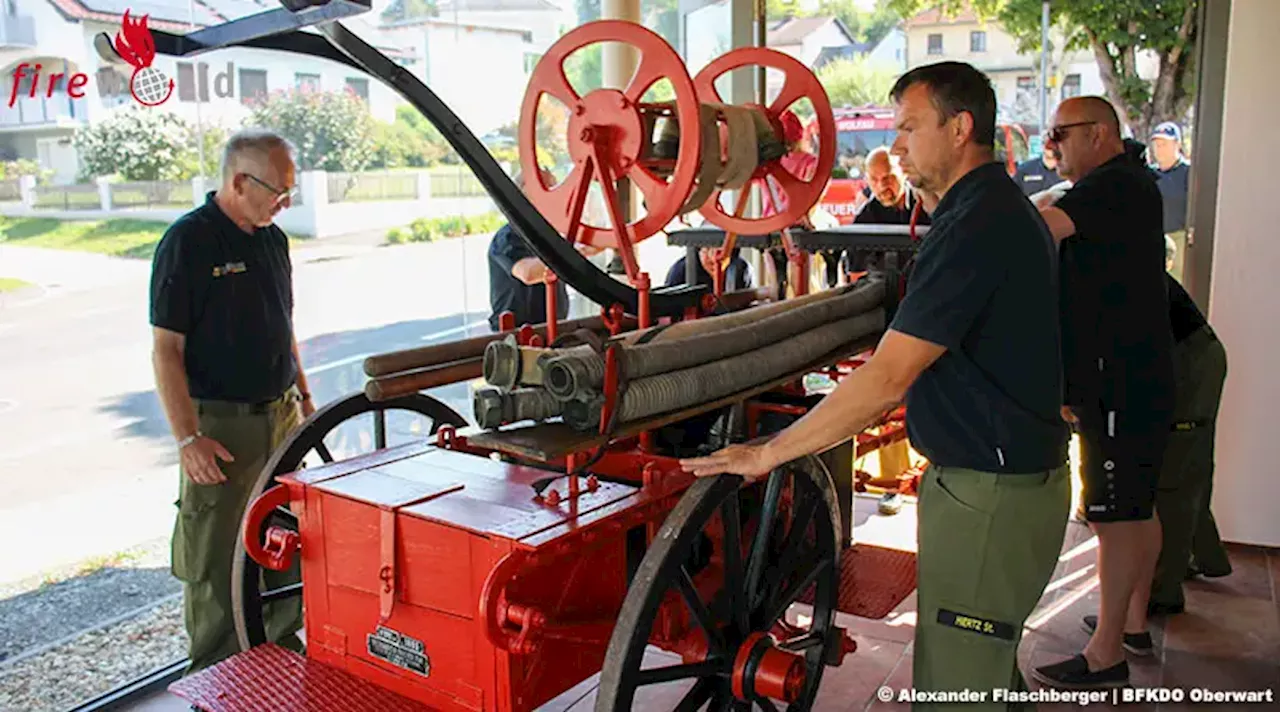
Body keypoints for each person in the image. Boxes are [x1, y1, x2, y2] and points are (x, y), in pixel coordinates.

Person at [682, 62, 1071, 709]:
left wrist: (769, 453)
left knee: (957, 687)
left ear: (960, 127)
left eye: (911, 127)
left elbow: (889, 377)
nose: (898, 144)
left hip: (990, 497)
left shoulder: (978, 224)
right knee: (985, 671)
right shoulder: (987, 209)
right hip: (996, 484)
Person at [150, 129, 312, 674]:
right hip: (221, 426)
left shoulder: (273, 240)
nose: (285, 203)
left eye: (292, 192)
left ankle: (285, 663)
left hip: (282, 416)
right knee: (218, 562)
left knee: (286, 547)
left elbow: (284, 326)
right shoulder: (188, 243)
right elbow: (166, 351)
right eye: (278, 192)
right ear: (239, 181)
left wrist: (306, 400)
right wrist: (188, 438)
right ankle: (219, 678)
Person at [1031, 97, 1175, 690]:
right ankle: (1132, 621)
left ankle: (1105, 654)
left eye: (1061, 134)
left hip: (1119, 381)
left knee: (1114, 518)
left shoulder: (1111, 185)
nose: (1053, 145)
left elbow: (1037, 230)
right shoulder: (1129, 183)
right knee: (1138, 507)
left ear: (1099, 133)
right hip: (1137, 376)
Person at [486, 169, 570, 332]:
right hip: (517, 336)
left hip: (553, 329)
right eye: (546, 189)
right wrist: (574, 255)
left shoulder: (550, 236)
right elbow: (528, 273)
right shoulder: (508, 237)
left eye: (554, 188)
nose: (555, 196)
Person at [1150, 121, 1191, 280]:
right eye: (1157, 144)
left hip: (1178, 238)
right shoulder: (1149, 173)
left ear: (1177, 144)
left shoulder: (1188, 172)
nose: (1159, 149)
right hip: (1154, 237)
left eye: (1164, 144)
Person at [663, 246, 752, 292]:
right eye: (707, 249)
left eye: (720, 250)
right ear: (698, 251)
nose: (713, 257)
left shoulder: (742, 269)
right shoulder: (680, 271)